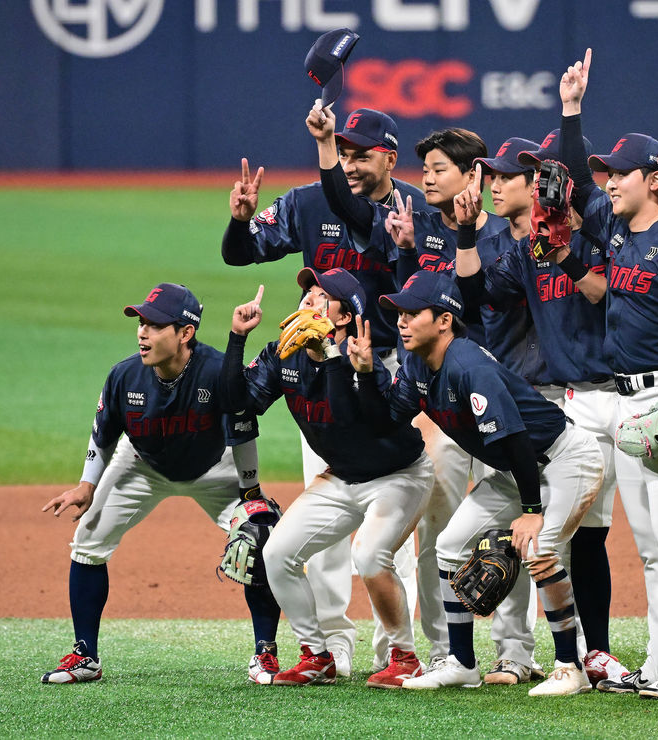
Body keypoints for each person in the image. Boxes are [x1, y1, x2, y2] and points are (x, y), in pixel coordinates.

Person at [222, 107, 429, 676]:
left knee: (387, 539)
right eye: (344, 153)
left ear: (390, 157)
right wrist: (240, 221)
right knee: (325, 530)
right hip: (316, 362)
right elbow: (240, 252)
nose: (350, 163)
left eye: (361, 154)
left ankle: (398, 649)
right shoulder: (306, 203)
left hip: (388, 366)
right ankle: (331, 646)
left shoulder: (410, 210)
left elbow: (417, 277)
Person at [311, 109, 512, 671]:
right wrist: (401, 249)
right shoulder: (414, 223)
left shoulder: (502, 235)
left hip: (494, 389)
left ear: (473, 175)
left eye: (439, 168)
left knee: (497, 527)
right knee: (432, 525)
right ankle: (435, 650)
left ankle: (511, 652)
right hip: (432, 392)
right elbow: (349, 209)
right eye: (424, 168)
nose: (426, 178)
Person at [548, 49, 658, 700]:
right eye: (609, 173)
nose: (610, 182)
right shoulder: (618, 234)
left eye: (621, 173)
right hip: (625, 402)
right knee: (649, 545)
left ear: (653, 180)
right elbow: (576, 182)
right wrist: (571, 110)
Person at [351, 270, 605, 696]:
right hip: (515, 471)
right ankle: (462, 663)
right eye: (399, 314)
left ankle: (569, 667)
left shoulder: (469, 366)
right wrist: (364, 373)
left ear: (444, 321)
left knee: (540, 550)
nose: (401, 322)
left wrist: (531, 512)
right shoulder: (417, 364)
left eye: (412, 313)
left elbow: (517, 440)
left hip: (564, 460)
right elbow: (387, 420)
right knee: (450, 546)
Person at [452, 135, 631, 687]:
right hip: (560, 403)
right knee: (552, 536)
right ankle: (555, 655)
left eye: (507, 176)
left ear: (542, 183)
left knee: (606, 537)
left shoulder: (597, 231)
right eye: (493, 176)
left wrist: (572, 112)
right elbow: (478, 295)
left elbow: (601, 290)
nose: (494, 184)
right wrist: (466, 233)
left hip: (618, 395)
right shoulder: (523, 250)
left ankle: (600, 653)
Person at [40, 283, 282, 684]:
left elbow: (241, 431)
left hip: (213, 467)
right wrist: (87, 485)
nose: (142, 332)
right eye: (141, 323)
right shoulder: (125, 375)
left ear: (185, 333)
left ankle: (265, 653)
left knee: (259, 540)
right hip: (141, 465)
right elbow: (103, 433)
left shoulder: (216, 371)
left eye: (154, 325)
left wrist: (250, 494)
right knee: (88, 541)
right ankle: (85, 656)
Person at [219, 271, 435, 688]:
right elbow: (236, 402)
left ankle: (404, 657)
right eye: (307, 293)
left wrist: (330, 354)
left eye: (321, 296)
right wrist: (237, 337)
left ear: (344, 316)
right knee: (277, 552)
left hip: (398, 476)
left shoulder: (362, 359)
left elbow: (347, 417)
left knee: (369, 556)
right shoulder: (284, 354)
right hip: (340, 478)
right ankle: (316, 656)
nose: (308, 299)